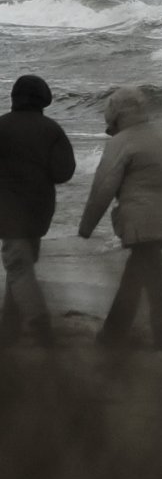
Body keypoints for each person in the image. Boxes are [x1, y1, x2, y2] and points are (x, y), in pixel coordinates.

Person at [78, 85, 162, 351]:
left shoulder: (120, 143)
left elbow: (103, 188)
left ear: (115, 116)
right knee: (138, 275)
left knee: (152, 276)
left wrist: (86, 226)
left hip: (137, 221)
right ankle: (115, 334)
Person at [0, 75, 76, 347]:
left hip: (7, 211)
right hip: (40, 210)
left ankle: (40, 325)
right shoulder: (52, 130)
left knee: (18, 266)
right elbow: (63, 172)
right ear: (44, 99)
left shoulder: (2, 126)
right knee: (21, 264)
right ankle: (9, 331)